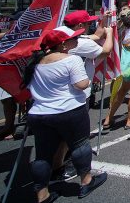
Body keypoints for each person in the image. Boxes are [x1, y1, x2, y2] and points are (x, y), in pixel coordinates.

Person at [22, 28, 107, 202]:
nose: (76, 39)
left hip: (40, 113)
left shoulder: (35, 62)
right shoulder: (72, 60)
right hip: (68, 110)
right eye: (72, 38)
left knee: (42, 155)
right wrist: (89, 79)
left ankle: (42, 194)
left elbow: (29, 88)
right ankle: (86, 181)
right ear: (62, 45)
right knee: (79, 145)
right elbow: (81, 84)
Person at [51, 10, 113, 182]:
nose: (89, 25)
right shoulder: (77, 42)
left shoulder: (62, 35)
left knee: (62, 135)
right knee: (75, 136)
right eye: (86, 23)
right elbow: (105, 50)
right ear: (79, 26)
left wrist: (104, 19)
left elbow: (94, 35)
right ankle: (66, 167)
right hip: (76, 95)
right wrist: (110, 34)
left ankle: (57, 164)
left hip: (56, 96)